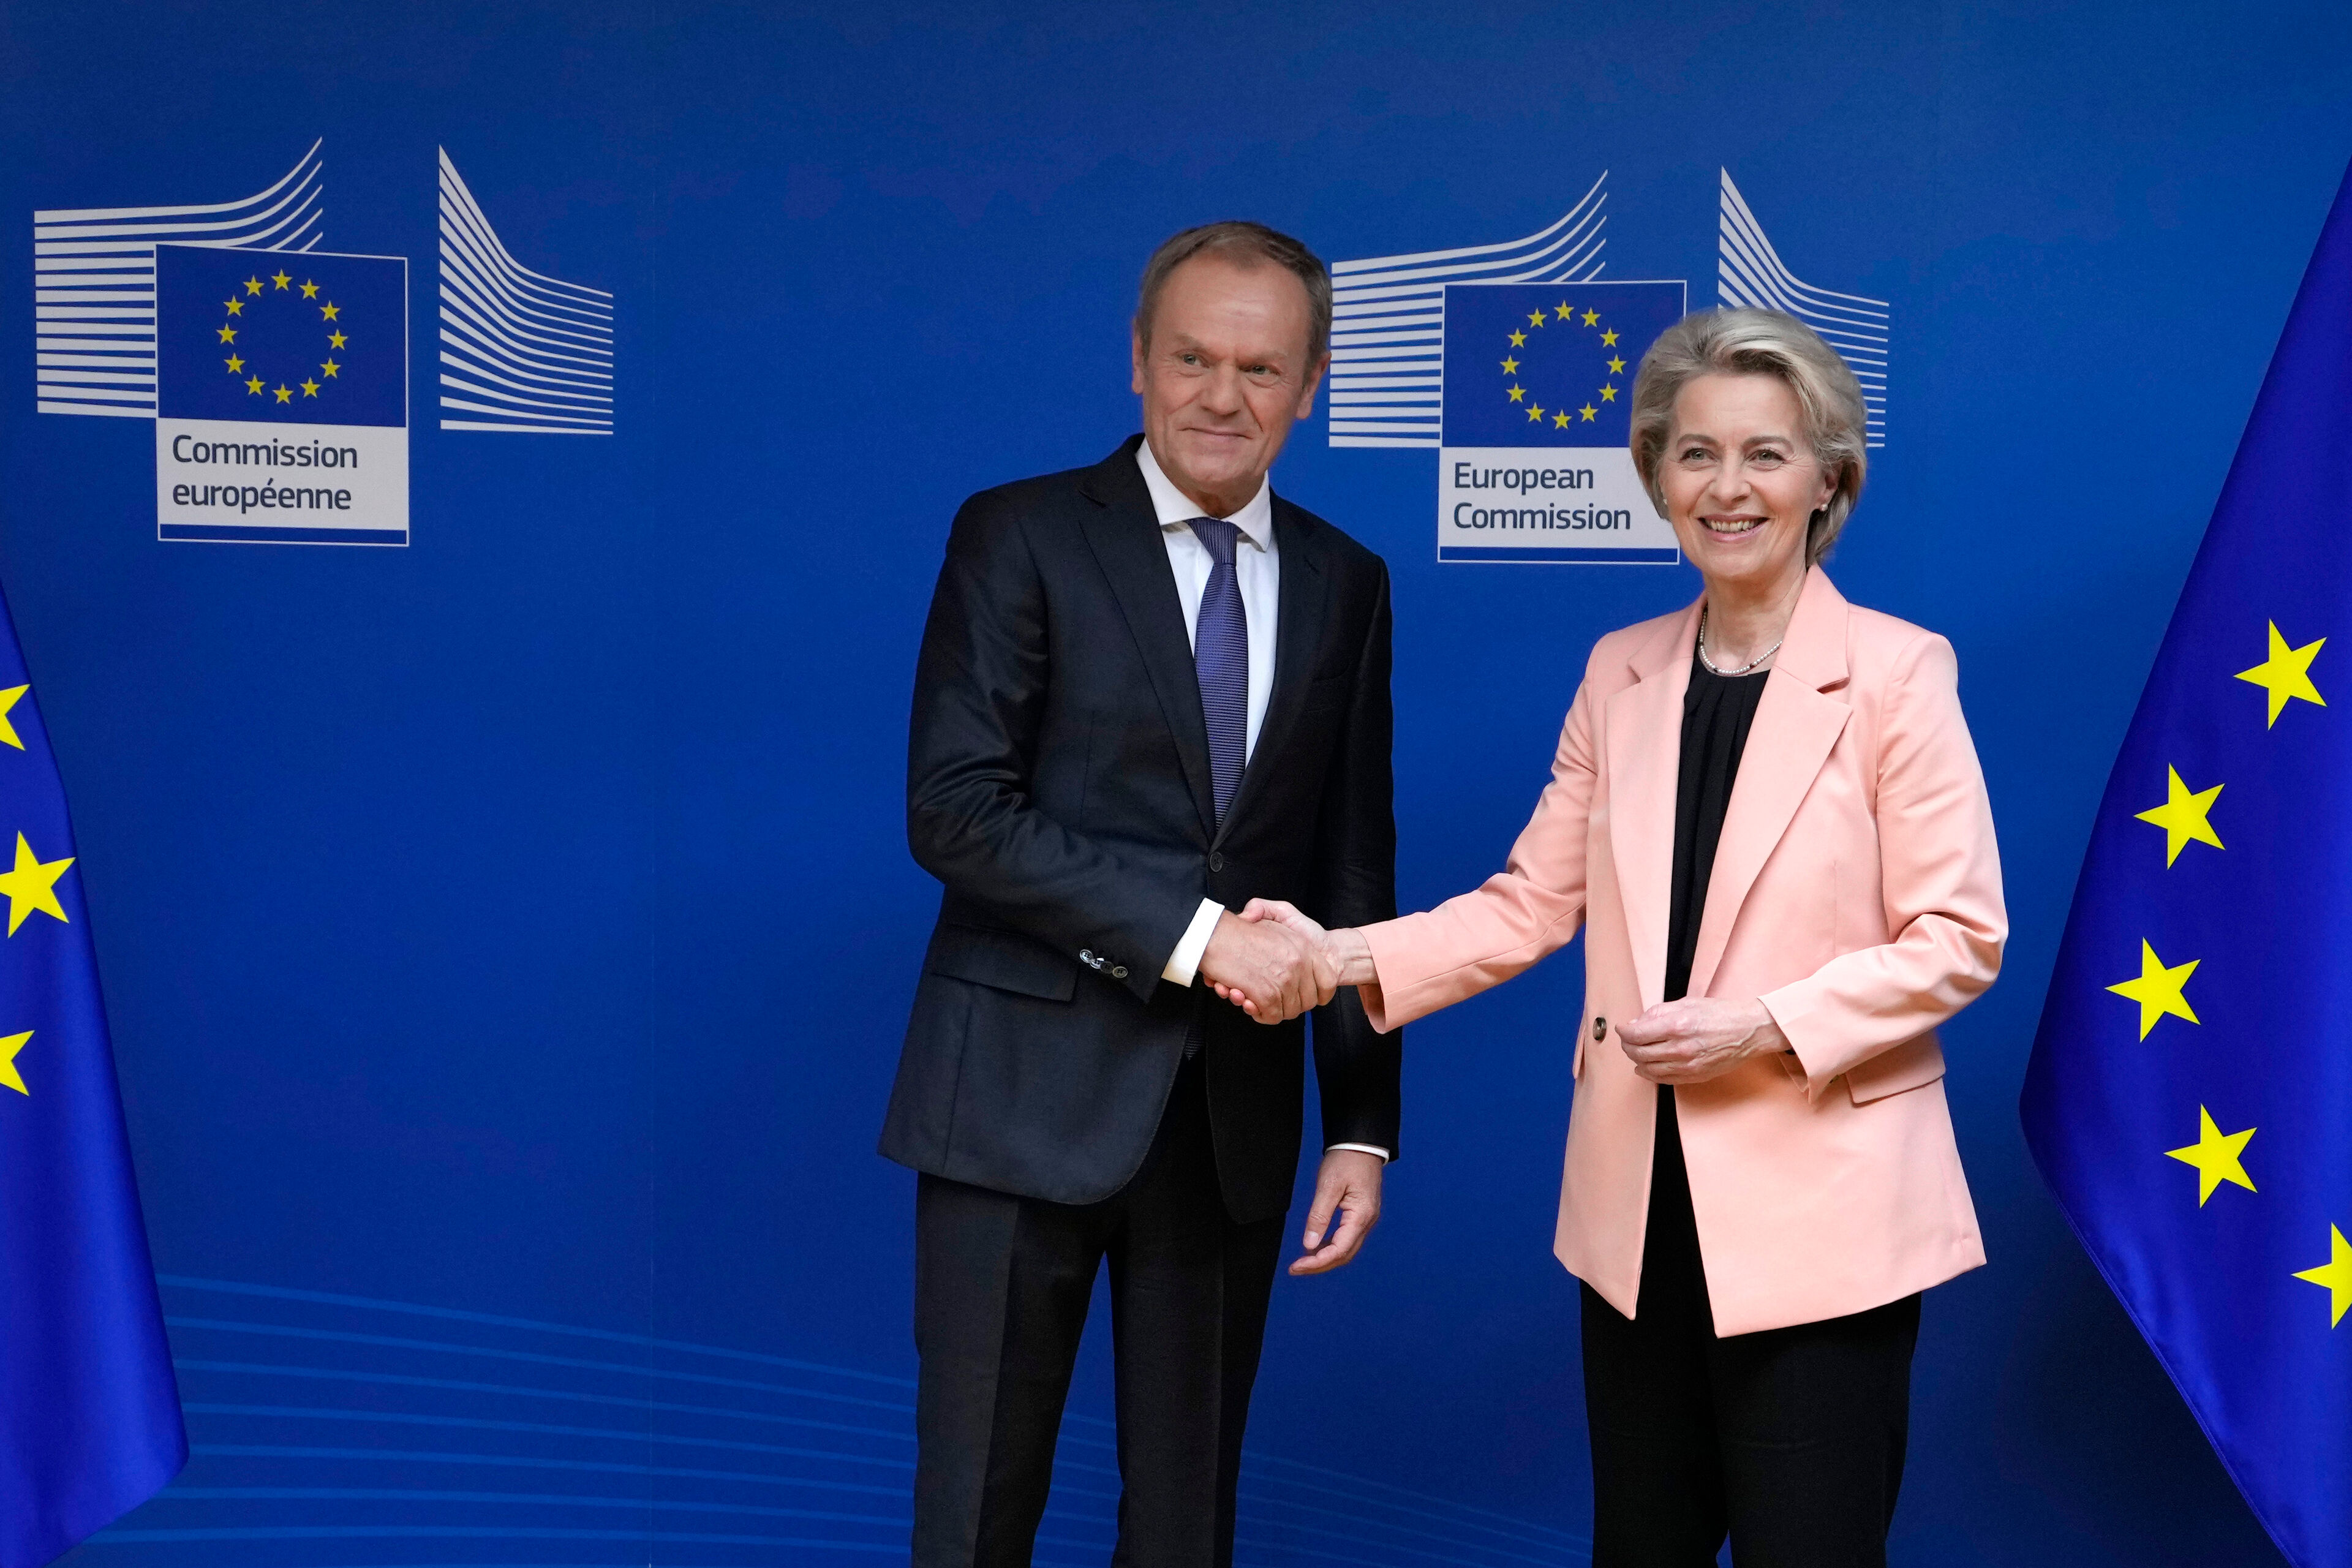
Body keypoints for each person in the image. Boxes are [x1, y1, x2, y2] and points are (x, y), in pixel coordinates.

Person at [1229, 307, 2006, 1566]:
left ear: (1827, 480)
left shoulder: (1900, 672)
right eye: (1695, 453)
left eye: (1765, 453)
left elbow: (1960, 934)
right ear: (1657, 477)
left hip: (1827, 1216)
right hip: (1636, 1217)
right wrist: (1335, 957)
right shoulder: (1619, 671)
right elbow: (1529, 901)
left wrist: (1763, 1024)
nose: (1727, 486)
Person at [883, 221, 1401, 1568]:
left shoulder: (1348, 582)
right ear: (1137, 359)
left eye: (1261, 367)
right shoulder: (1020, 533)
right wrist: (1198, 939)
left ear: (1312, 384)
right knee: (974, 1517)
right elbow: (956, 807)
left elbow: (1353, 869)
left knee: (1186, 1528)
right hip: (1013, 1107)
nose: (1223, 396)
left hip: (1229, 1126)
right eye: (1192, 358)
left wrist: (1361, 1121)